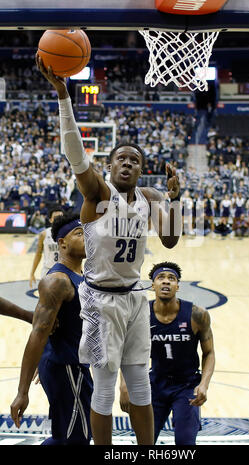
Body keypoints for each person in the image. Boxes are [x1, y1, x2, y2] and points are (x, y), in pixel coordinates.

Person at [36, 55, 181, 446]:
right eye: (122, 158)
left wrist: (176, 201)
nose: (128, 164)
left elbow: (170, 241)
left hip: (135, 299)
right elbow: (75, 155)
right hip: (100, 303)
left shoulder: (149, 197)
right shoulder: (99, 195)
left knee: (140, 386)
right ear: (110, 165)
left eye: (135, 160)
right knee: (103, 389)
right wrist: (64, 97)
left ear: (141, 169)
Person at [10, 212, 93, 445]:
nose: (88, 238)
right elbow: (38, 332)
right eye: (80, 234)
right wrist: (22, 392)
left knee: (67, 435)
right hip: (66, 367)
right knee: (77, 439)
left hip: (68, 363)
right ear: (62, 243)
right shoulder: (58, 280)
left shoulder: (81, 275)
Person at [119, 262, 215, 445]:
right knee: (144, 441)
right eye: (160, 278)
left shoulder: (197, 314)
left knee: (185, 443)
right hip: (155, 384)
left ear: (178, 286)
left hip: (186, 386)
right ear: (152, 285)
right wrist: (124, 385)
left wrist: (204, 384)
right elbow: (127, 350)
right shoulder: (140, 314)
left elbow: (209, 352)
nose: (166, 282)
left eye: (171, 279)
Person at [29, 205, 64, 288]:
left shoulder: (68, 234)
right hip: (48, 271)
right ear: (50, 220)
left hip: (64, 271)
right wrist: (32, 273)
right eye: (56, 217)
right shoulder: (44, 234)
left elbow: (74, 256)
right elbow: (38, 254)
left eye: (61, 217)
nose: (59, 219)